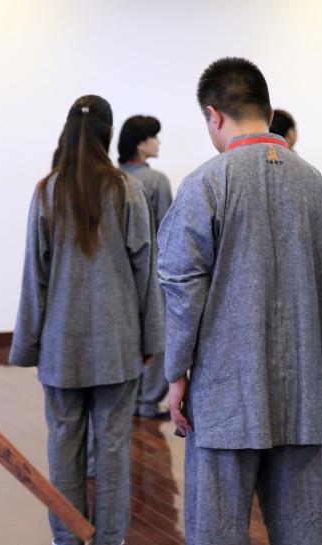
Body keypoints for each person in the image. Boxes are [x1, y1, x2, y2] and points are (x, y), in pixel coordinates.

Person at [158, 57, 322, 545]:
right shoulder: (318, 188)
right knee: (305, 527)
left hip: (223, 390)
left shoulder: (205, 184)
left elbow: (181, 287)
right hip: (301, 390)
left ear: (214, 114)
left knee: (217, 528)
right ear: (266, 110)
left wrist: (176, 374)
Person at [10, 95, 164, 545]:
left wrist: (28, 343)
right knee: (113, 444)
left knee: (63, 441)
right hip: (118, 342)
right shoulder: (127, 190)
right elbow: (145, 270)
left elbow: (35, 276)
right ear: (108, 134)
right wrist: (152, 337)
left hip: (61, 345)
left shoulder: (47, 191)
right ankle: (109, 540)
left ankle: (67, 537)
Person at [118, 114, 173, 419]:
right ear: (141, 144)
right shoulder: (156, 181)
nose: (159, 142)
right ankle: (148, 402)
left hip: (119, 274)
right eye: (154, 136)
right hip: (152, 270)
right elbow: (167, 230)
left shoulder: (112, 178)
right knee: (156, 334)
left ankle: (127, 399)